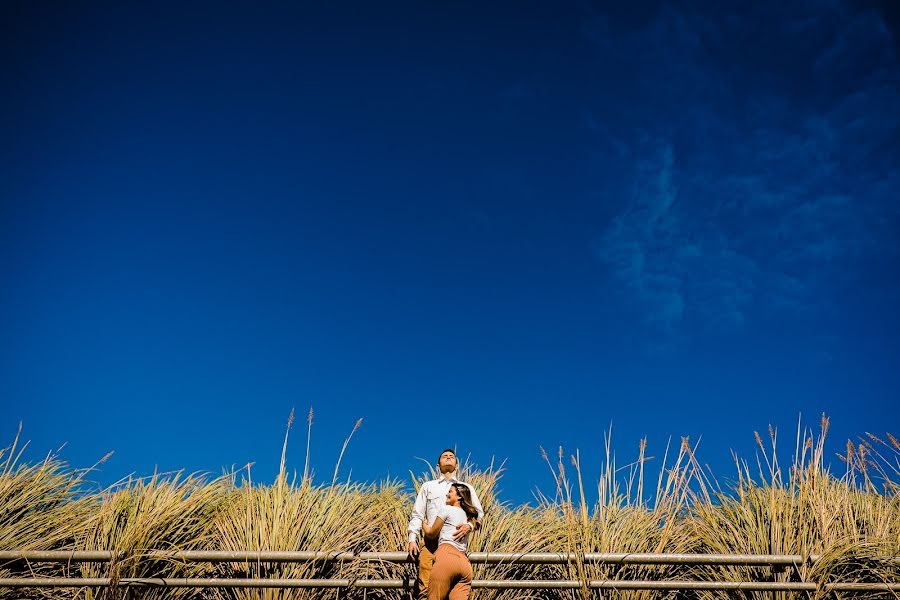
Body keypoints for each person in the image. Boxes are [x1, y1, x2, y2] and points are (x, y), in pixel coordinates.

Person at [407, 449, 484, 599]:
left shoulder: (465, 488)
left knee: (454, 591)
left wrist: (470, 526)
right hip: (430, 544)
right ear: (438, 465)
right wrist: (412, 538)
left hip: (454, 544)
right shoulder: (428, 486)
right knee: (425, 589)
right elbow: (418, 514)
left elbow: (478, 513)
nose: (448, 457)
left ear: (456, 464)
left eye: (452, 456)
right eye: (444, 456)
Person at [420, 483, 478, 600]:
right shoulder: (468, 517)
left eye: (450, 491)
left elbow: (431, 534)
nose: (447, 494)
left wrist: (423, 524)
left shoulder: (446, 509)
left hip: (446, 557)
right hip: (464, 564)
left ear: (459, 496)